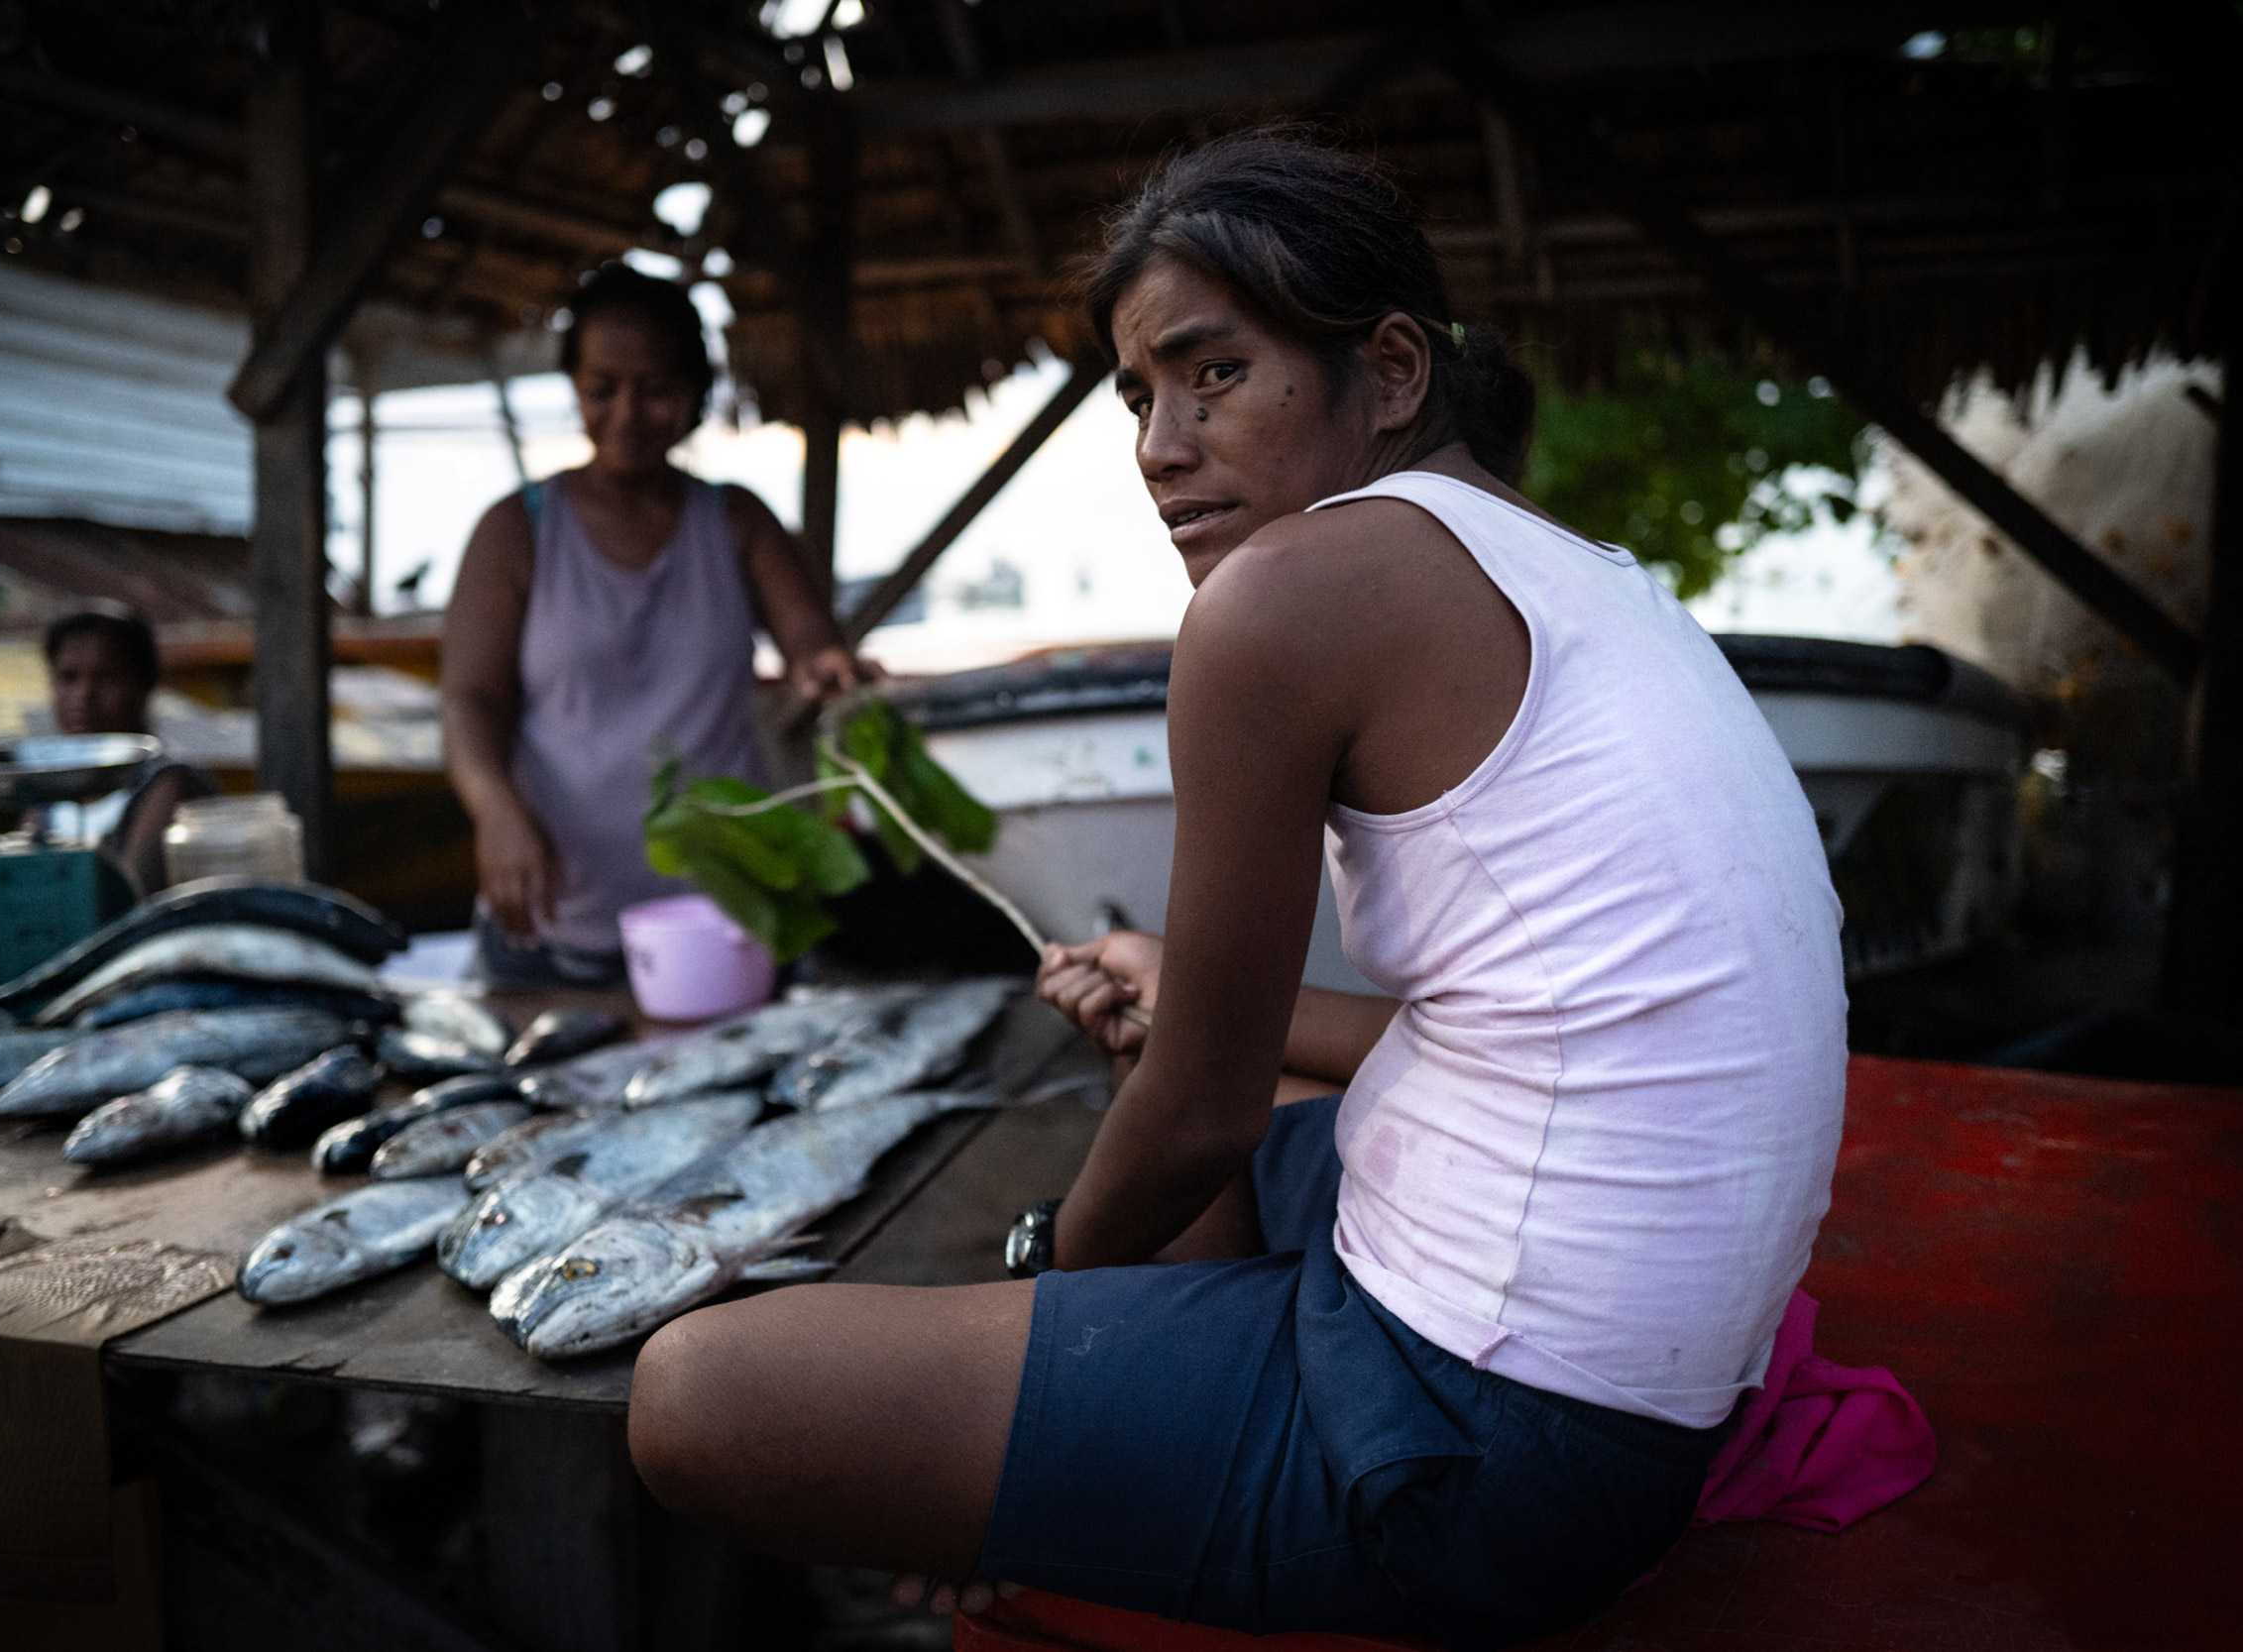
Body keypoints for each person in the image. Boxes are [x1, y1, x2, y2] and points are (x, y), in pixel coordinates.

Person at [621, 134, 1848, 1646]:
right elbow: (1535, 1022)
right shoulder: (1584, 573)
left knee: (697, 1391)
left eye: (1211, 373)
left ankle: (1023, 1477)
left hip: (1504, 1444)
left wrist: (1029, 1308)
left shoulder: (1285, 597)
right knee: (1175, 1072)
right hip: (1643, 1388)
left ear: (1392, 370)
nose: (1157, 442)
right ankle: (1056, 1458)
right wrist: (1170, 985)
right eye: (1139, 394)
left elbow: (1199, 1113)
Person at [441, 265, 870, 989]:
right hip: (556, 934)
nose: (629, 413)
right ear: (573, 387)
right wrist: (495, 810)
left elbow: (812, 646)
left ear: (696, 392)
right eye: (602, 388)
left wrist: (825, 668)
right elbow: (467, 701)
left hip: (730, 925)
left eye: (657, 389)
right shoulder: (516, 531)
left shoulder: (736, 521)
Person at [41, 602, 218, 895]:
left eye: (106, 678)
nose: (84, 696)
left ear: (144, 685)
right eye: (68, 678)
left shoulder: (169, 784)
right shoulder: (46, 795)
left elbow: (130, 902)